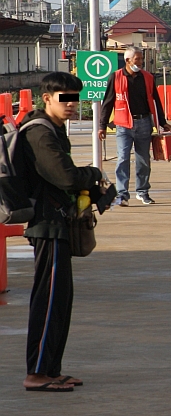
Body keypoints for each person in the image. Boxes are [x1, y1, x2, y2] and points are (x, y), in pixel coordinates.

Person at [21, 72, 107, 392]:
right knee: (47, 301)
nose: (72, 105)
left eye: (76, 98)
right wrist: (94, 174)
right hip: (47, 226)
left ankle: (51, 369)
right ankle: (37, 373)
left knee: (60, 301)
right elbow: (67, 178)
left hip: (59, 224)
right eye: (65, 99)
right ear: (47, 98)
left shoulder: (55, 131)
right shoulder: (40, 134)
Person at [98, 48, 171, 206]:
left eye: (141, 59)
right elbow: (108, 102)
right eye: (137, 59)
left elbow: (155, 100)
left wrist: (163, 122)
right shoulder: (116, 77)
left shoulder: (148, 77)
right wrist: (102, 125)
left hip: (144, 123)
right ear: (128, 61)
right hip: (123, 125)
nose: (140, 62)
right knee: (123, 158)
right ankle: (123, 194)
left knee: (143, 159)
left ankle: (142, 192)